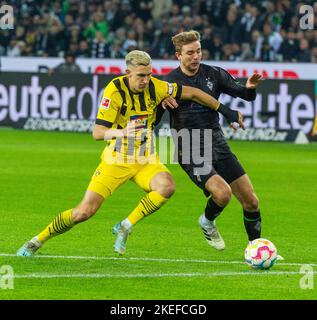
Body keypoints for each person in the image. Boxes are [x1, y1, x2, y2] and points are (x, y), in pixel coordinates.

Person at [17, 50, 243, 257]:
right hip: (116, 160)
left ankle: (125, 225)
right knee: (83, 212)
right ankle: (37, 240)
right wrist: (123, 132)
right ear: (128, 73)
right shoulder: (114, 91)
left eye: (148, 74)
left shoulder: (156, 86)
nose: (145, 80)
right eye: (140, 75)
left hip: (145, 159)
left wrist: (226, 111)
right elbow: (97, 133)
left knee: (167, 186)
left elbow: (193, 93)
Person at [161, 30, 263, 250]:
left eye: (198, 51)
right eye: (190, 53)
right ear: (178, 55)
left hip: (216, 141)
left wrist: (251, 88)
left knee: (251, 201)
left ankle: (256, 249)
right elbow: (155, 112)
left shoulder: (214, 74)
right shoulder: (168, 82)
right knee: (223, 194)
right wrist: (162, 101)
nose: (196, 56)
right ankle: (207, 222)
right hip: (188, 145)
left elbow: (244, 94)